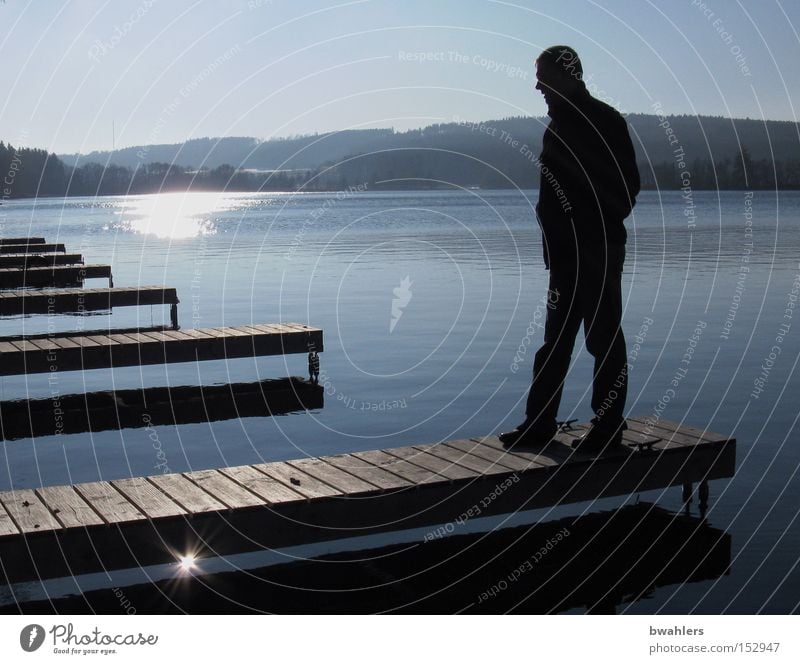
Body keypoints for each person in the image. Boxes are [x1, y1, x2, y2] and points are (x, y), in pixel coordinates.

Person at [500, 45, 640, 452]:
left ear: (569, 76)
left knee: (603, 339)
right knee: (554, 341)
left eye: (544, 76)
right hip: (562, 257)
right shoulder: (555, 128)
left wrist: (588, 226)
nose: (538, 85)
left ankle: (608, 426)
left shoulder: (605, 121)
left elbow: (627, 189)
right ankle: (539, 423)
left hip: (596, 251)